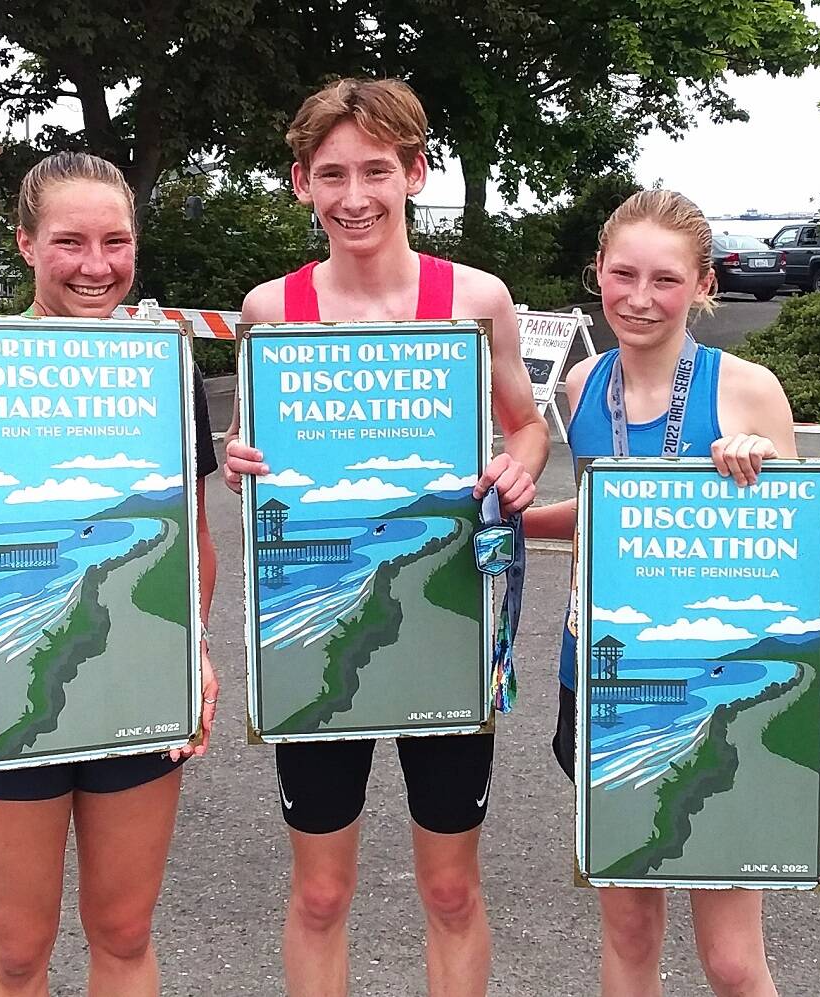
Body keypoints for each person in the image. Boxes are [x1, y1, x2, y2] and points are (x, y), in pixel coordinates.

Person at [222, 78, 549, 996]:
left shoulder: (475, 297)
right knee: (321, 894)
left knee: (449, 888)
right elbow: (254, 448)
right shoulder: (270, 310)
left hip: (443, 627)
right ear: (300, 183)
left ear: (415, 170)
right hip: (315, 633)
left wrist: (520, 465)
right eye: (333, 174)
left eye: (376, 169)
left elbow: (525, 424)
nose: (355, 195)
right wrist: (237, 455)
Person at [0, 151, 220, 997]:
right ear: (26, 243)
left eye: (116, 241)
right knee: (19, 952)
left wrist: (195, 655)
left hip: (141, 680)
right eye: (70, 241)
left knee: (125, 932)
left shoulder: (164, 363)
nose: (96, 265)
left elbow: (193, 542)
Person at [523, 189, 796, 997]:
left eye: (667, 280)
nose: (640, 298)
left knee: (731, 959)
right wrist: (509, 517)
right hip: (603, 684)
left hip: (716, 692)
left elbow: (798, 550)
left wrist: (760, 465)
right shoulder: (581, 386)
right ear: (596, 273)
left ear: (703, 284)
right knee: (631, 931)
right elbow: (607, 515)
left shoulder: (746, 388)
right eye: (623, 274)